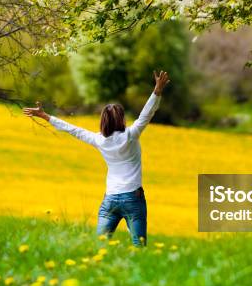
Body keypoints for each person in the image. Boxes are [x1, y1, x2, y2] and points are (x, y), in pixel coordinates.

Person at [24, 71, 170, 246]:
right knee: (139, 245)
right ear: (122, 119)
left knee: (99, 245)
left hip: (110, 199)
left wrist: (46, 116)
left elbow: (73, 130)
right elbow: (146, 114)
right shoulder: (131, 135)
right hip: (133, 197)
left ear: (103, 121)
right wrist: (157, 91)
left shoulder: (99, 140)